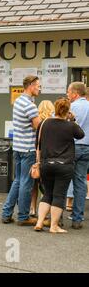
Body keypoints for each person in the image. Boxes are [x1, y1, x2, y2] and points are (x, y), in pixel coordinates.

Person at [33, 98, 85, 233]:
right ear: (67, 111)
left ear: (55, 109)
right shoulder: (70, 126)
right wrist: (72, 120)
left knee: (47, 194)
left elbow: (37, 144)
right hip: (64, 165)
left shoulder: (44, 123)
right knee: (59, 195)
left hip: (46, 164)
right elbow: (81, 134)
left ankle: (39, 222)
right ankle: (54, 226)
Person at [1, 76, 41, 226]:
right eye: (38, 85)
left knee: (18, 180)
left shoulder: (18, 101)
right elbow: (38, 127)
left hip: (17, 147)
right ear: (30, 86)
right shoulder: (30, 105)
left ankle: (6, 213)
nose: (39, 88)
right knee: (26, 183)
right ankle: (23, 216)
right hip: (28, 148)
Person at [66, 81, 89, 230]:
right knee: (80, 182)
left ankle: (56, 218)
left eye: (68, 92)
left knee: (62, 180)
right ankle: (77, 218)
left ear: (75, 93)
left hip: (71, 148)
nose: (67, 95)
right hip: (87, 147)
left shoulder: (70, 107)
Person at [30, 100, 54, 217]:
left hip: (35, 154)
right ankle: (46, 210)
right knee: (47, 185)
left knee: (34, 182)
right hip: (47, 156)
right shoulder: (52, 122)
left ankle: (33, 208)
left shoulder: (36, 121)